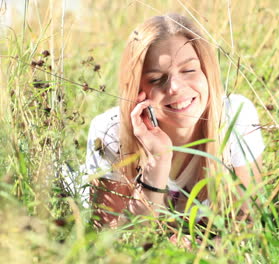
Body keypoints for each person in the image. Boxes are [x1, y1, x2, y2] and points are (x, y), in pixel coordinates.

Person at [85, 14, 265, 228]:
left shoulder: (235, 116)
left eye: (189, 70)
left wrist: (201, 246)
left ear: (207, 72)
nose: (174, 88)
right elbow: (109, 237)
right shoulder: (110, 130)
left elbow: (247, 222)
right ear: (137, 90)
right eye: (156, 79)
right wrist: (157, 164)